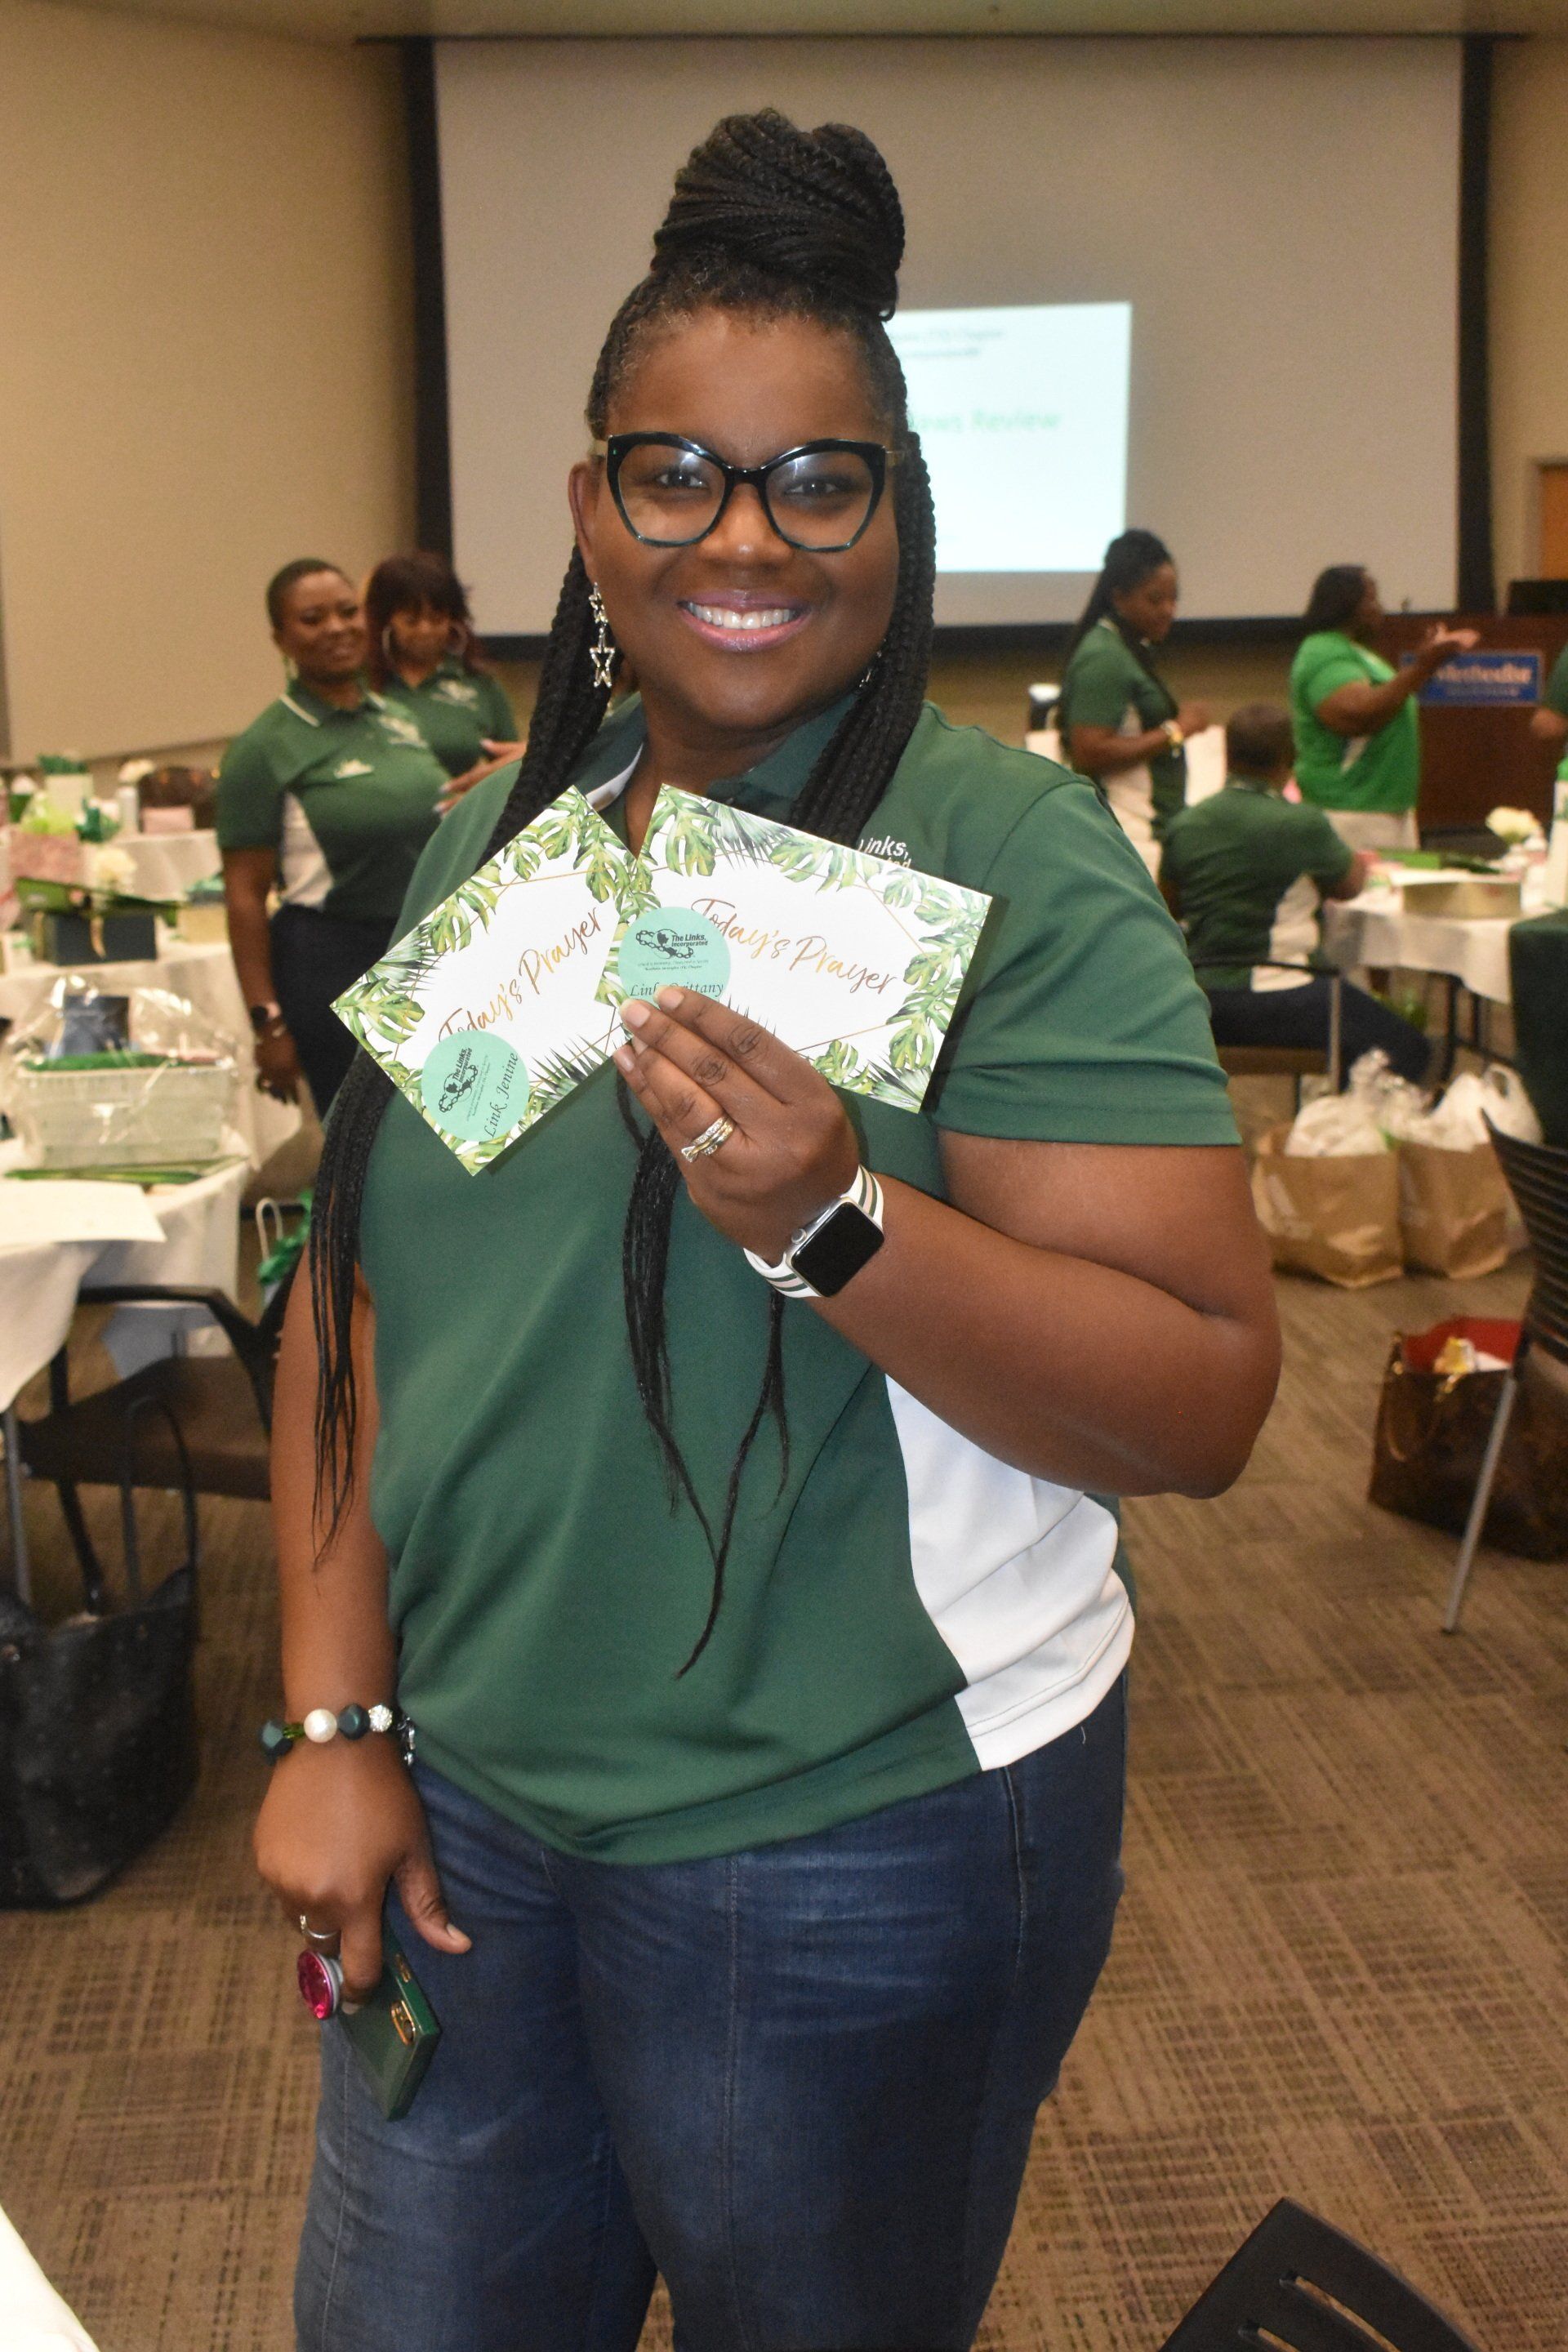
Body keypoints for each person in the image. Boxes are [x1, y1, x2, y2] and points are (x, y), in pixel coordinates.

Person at [255, 111, 1280, 2352]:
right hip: (473, 1822)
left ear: (897, 513)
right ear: (587, 506)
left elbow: (1202, 1400)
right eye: (678, 472)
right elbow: (345, 1310)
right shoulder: (504, 846)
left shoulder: (1007, 856)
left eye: (821, 480)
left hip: (848, 1841)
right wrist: (329, 1716)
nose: (749, 535)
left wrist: (836, 1226)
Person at [216, 559, 449, 1113]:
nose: (337, 628)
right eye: (312, 618)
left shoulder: (398, 719)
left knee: (441, 1134)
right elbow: (244, 897)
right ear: (281, 638)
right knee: (359, 1151)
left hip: (423, 951)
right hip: (330, 961)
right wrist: (267, 1023)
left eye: (347, 612)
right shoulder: (263, 748)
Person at [1160, 703, 1430, 1085]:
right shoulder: (1302, 823)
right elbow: (1350, 885)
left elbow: (1167, 906)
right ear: (1291, 757)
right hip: (1282, 995)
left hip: (1201, 999)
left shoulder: (1184, 825)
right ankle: (1348, 1135)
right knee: (1410, 1048)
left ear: (1228, 753)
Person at [1290, 565, 1477, 854]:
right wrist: (1423, 665)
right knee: (1367, 900)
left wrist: (1426, 667)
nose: (1381, 609)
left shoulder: (1359, 654)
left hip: (1384, 809)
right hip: (1349, 811)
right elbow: (1357, 715)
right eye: (1372, 600)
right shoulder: (1323, 650)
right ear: (1347, 605)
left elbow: (1390, 700)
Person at [1056, 528, 1210, 874]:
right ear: (1119, 596)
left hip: (1148, 832)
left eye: (1174, 599)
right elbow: (1089, 750)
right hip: (1128, 834)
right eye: (1155, 600)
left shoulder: (1128, 647)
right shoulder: (1104, 657)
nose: (1169, 610)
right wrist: (1177, 730)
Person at [363, 550, 524, 795]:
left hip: (458, 818)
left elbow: (514, 771)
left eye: (436, 619)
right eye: (411, 620)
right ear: (386, 622)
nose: (425, 630)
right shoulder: (359, 683)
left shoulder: (479, 684)